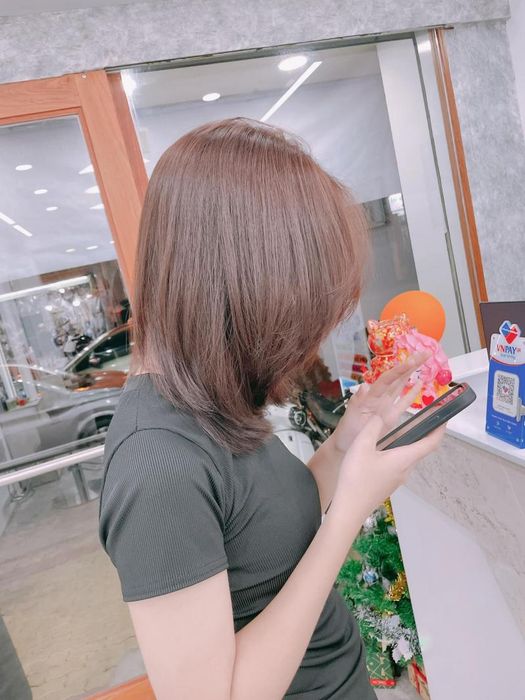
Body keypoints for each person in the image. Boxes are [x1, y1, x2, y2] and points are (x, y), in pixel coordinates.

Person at [99, 118, 443, 699]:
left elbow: (267, 532)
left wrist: (344, 443)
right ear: (247, 282)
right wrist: (349, 512)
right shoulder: (155, 462)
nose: (312, 330)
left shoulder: (208, 400)